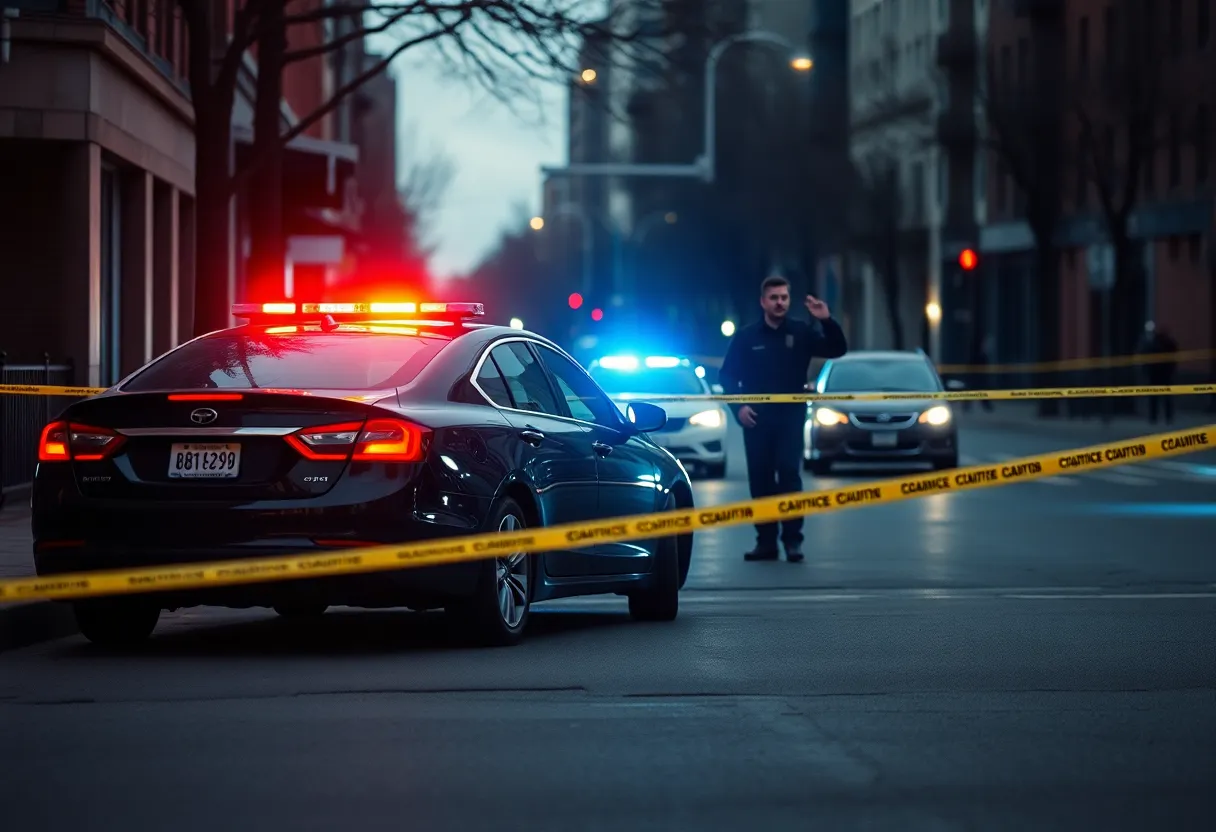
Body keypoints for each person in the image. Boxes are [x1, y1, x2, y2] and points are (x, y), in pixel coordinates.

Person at [719, 273, 848, 563]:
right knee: (761, 480)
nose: (780, 303)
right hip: (757, 421)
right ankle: (765, 542)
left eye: (784, 298)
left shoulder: (801, 332)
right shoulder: (746, 337)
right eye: (774, 298)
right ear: (763, 302)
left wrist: (826, 320)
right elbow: (726, 376)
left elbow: (837, 349)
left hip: (791, 417)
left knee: (789, 475)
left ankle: (793, 542)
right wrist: (738, 408)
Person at [1138, 321, 1178, 424]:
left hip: (1160, 374)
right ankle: (1160, 417)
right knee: (1159, 397)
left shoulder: (1159, 343)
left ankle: (1157, 417)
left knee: (1159, 398)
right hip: (1159, 374)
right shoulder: (1154, 342)